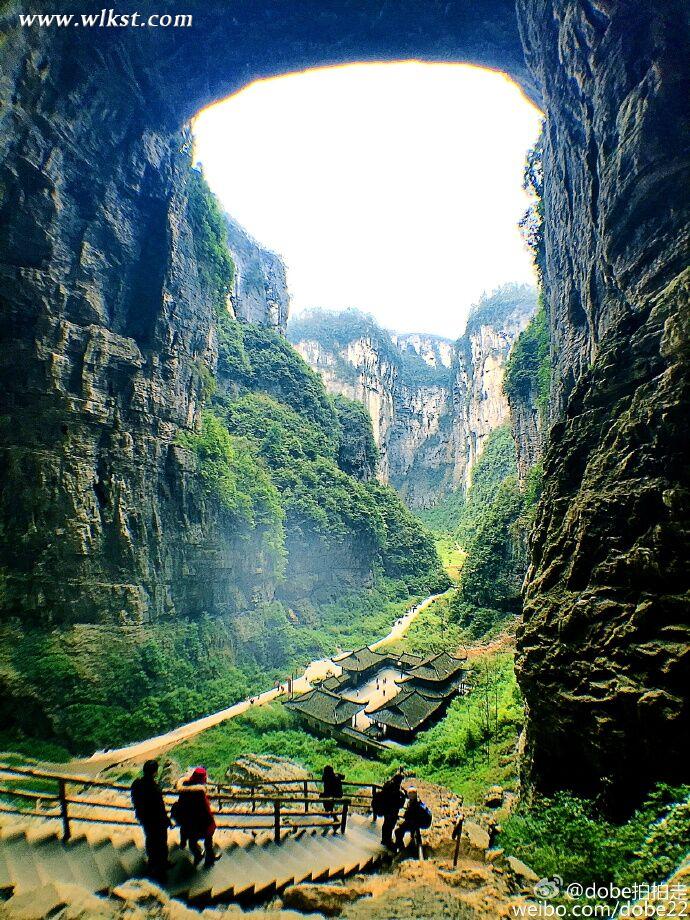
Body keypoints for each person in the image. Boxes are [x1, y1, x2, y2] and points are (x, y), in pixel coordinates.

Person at [130, 760, 171, 881]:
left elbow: (135, 800)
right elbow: (159, 806)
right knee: (161, 840)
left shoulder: (137, 784)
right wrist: (166, 819)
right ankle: (162, 864)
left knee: (150, 838)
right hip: (156, 819)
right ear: (154, 772)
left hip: (144, 817)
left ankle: (152, 862)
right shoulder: (153, 787)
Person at [171, 767, 219, 868]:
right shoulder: (199, 793)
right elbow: (205, 809)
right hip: (201, 822)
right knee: (208, 840)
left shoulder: (184, 789)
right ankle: (209, 859)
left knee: (192, 841)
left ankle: (198, 855)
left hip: (188, 822)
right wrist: (211, 822)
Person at [373, 771, 405, 849]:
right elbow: (394, 799)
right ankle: (387, 841)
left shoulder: (388, 784)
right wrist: (402, 795)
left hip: (386, 808)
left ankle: (385, 840)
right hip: (391, 809)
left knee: (386, 824)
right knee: (389, 825)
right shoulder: (394, 787)